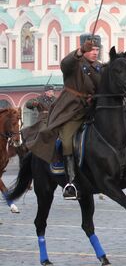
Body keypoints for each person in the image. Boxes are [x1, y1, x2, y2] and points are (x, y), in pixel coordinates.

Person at [28, 34, 102, 199]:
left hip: (91, 109)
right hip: (71, 110)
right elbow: (65, 63)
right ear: (83, 49)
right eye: (91, 49)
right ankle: (71, 182)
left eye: (97, 49)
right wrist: (80, 51)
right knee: (67, 140)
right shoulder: (74, 63)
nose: (95, 52)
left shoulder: (99, 67)